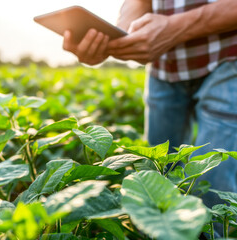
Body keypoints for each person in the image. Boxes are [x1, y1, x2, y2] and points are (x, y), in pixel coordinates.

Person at [62, 0, 237, 210]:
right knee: (157, 174)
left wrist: (175, 27)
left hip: (229, 56)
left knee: (211, 185)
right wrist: (122, 34)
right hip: (164, 64)